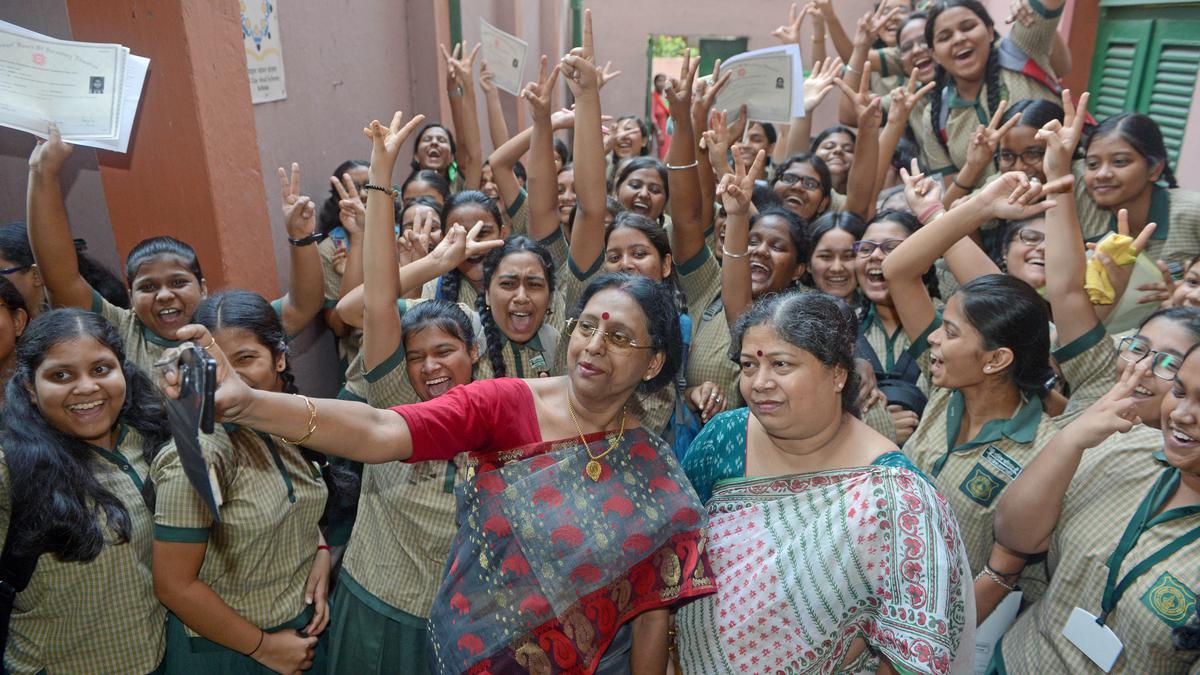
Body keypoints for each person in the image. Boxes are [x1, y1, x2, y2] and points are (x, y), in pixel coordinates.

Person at [162, 269, 711, 674]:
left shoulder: (653, 472)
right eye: (586, 326)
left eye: (618, 338)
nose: (593, 346)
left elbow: (650, 612)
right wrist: (247, 403)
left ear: (654, 362)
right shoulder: (503, 404)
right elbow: (377, 430)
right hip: (470, 653)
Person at [678, 290, 976, 673]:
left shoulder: (894, 496)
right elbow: (676, 551)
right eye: (749, 365)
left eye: (781, 365)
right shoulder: (725, 437)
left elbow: (912, 655)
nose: (759, 383)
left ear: (837, 374)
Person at [882, 166, 1063, 623]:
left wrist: (925, 635)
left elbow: (1003, 573)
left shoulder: (1044, 450)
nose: (934, 342)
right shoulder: (947, 388)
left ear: (996, 360)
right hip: (879, 590)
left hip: (951, 630)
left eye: (950, 332)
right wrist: (976, 205)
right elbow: (898, 271)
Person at [26, 126, 325, 374]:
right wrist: (43, 174)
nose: (165, 295)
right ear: (130, 298)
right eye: (148, 287)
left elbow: (302, 306)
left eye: (179, 282)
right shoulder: (118, 330)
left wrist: (301, 237)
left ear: (204, 288)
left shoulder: (229, 323)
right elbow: (60, 279)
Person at [152, 290, 331, 674]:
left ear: (279, 359)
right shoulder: (199, 453)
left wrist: (319, 549)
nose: (225, 374)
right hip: (229, 652)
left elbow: (294, 498)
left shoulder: (280, 421)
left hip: (295, 637)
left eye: (244, 358)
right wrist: (264, 647)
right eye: (211, 362)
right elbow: (173, 585)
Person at [992, 350, 1200, 673]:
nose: (1182, 415)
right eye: (1180, 391)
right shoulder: (1124, 445)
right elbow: (1014, 536)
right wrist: (1072, 439)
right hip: (1016, 659)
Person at [0, 309, 169, 673]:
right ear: (31, 387)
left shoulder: (154, 440)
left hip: (161, 661)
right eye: (61, 375)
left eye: (101, 369)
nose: (87, 387)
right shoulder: (10, 469)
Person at [911, 0, 1067, 181]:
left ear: (990, 31)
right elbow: (947, 202)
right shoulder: (934, 118)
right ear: (935, 55)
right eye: (945, 37)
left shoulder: (1022, 46)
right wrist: (972, 167)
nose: (959, 38)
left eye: (968, 27)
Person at [1076, 113, 1200, 275]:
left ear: (1154, 169)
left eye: (1119, 161)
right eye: (1092, 165)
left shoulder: (1192, 211)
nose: (1102, 174)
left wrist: (1188, 285)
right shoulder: (1086, 213)